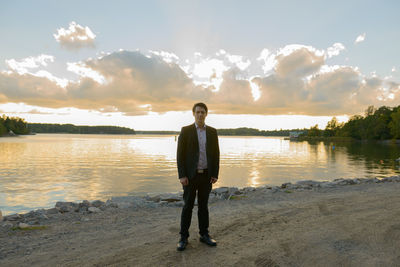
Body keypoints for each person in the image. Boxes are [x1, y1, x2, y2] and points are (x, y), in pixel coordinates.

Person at [176, 102, 220, 251]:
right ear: (194, 114)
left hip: (206, 176)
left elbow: (216, 154)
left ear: (206, 114)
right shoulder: (186, 131)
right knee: (187, 206)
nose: (200, 115)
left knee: (203, 207)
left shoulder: (212, 132)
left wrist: (215, 173)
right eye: (198, 112)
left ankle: (204, 235)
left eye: (203, 112)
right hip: (190, 176)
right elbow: (180, 155)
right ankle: (183, 238)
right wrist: (182, 175)